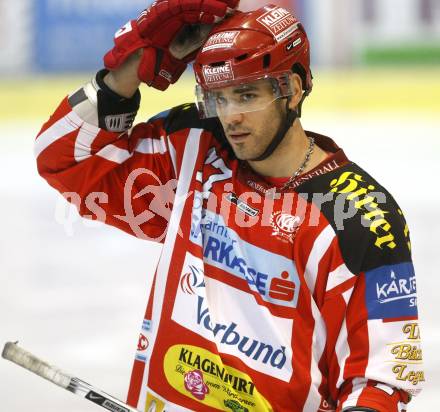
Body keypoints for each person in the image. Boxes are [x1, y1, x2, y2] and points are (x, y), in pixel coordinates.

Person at [35, 1, 424, 411]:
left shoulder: (360, 215)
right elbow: (65, 161)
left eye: (246, 94)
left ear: (290, 89)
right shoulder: (193, 151)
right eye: (218, 98)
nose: (231, 117)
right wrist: (128, 69)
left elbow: (380, 381)